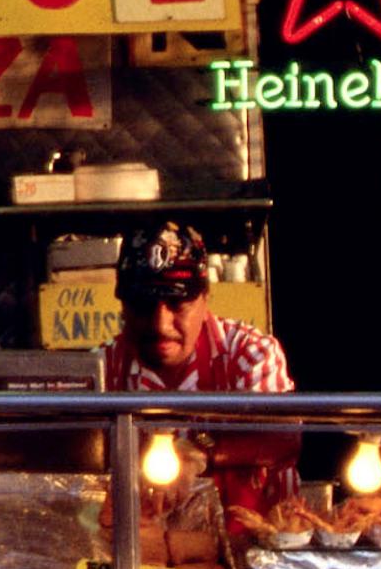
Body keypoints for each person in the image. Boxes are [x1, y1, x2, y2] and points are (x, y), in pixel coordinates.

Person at [104, 220, 299, 514]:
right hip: (141, 551)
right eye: (144, 306)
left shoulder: (250, 353)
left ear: (205, 298)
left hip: (252, 546)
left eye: (178, 304)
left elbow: (283, 439)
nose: (161, 324)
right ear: (122, 305)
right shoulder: (103, 368)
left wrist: (201, 451)